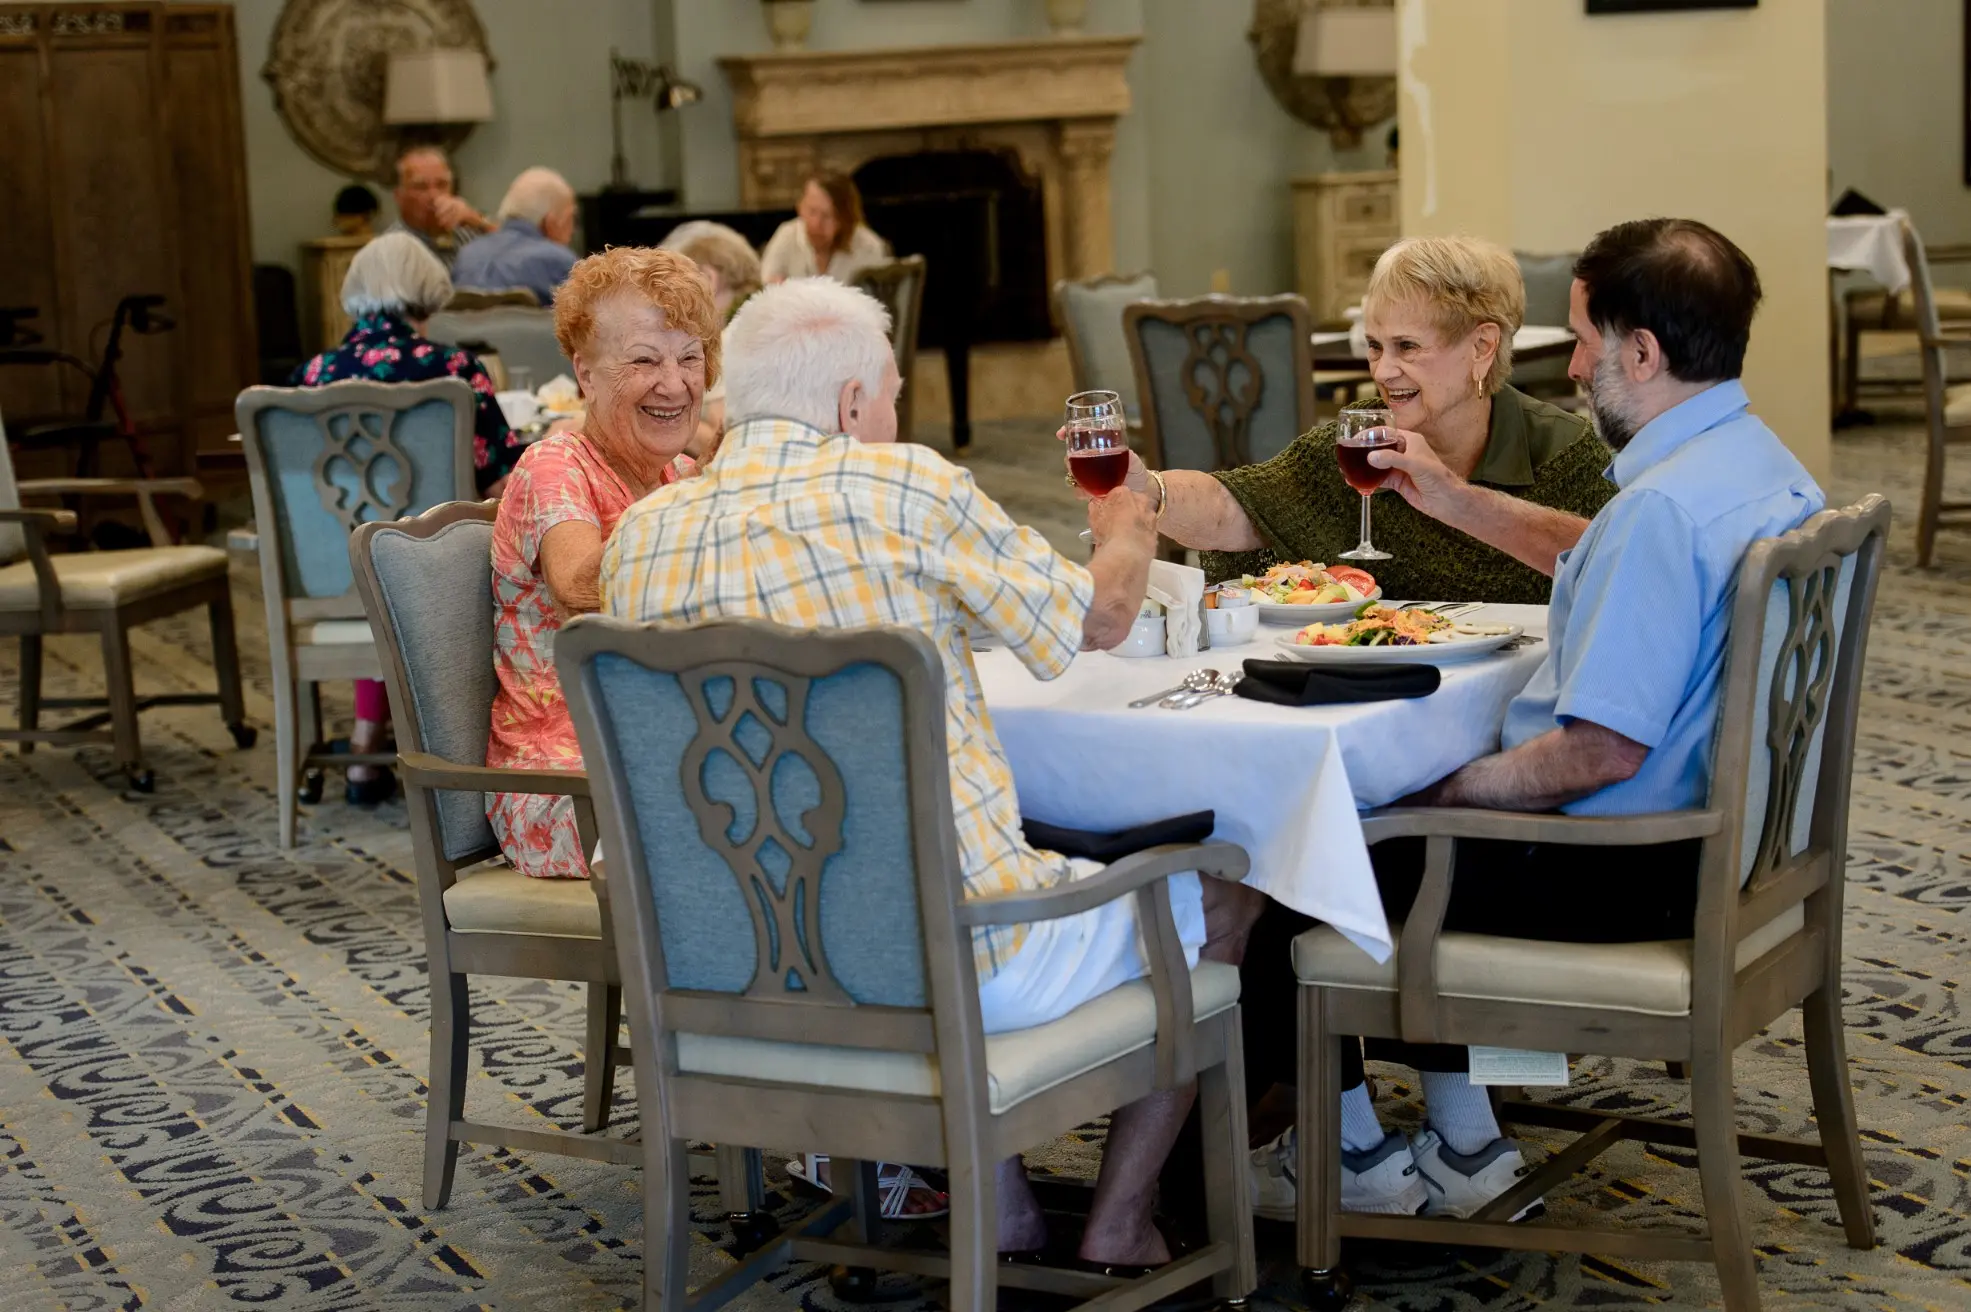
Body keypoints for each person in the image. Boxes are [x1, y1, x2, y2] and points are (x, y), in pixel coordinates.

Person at [601, 277, 1266, 1267]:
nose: (895, 414)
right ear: (851, 405)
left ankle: (999, 1209)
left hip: (719, 969)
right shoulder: (908, 484)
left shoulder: (640, 536)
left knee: (935, 852)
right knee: (1226, 883)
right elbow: (1096, 622)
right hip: (954, 973)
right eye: (893, 395)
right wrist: (1130, 523)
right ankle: (1119, 1223)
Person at [1248, 218, 1824, 1224]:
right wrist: (1457, 501)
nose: (1573, 366)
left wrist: (1438, 794)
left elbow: (1601, 751)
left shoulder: (1664, 510)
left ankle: (1348, 1161)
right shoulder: (1755, 465)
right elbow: (1606, 556)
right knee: (1396, 829)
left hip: (1629, 868)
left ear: (1641, 352)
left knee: (1305, 856)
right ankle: (1467, 1141)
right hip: (1748, 859)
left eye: (1586, 340)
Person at [1099, 235, 1615, 604]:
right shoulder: (1354, 445)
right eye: (1375, 346)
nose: (1384, 370)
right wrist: (1151, 489)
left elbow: (1619, 569)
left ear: (1482, 346)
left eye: (1407, 347)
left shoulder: (1562, 454)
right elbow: (1235, 506)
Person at [483, 247, 711, 881]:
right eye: (644, 360)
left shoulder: (683, 475)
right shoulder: (555, 465)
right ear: (585, 375)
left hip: (664, 751)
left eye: (690, 358)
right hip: (568, 786)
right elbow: (582, 589)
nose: (675, 383)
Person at [291, 231, 523, 805]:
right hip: (434, 582)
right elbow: (502, 479)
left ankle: (366, 733)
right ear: (426, 293)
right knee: (444, 542)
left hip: (335, 578)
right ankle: (476, 756)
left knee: (370, 544)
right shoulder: (453, 372)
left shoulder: (309, 378)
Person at [672, 225, 763, 462]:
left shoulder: (729, 340)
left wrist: (656, 420)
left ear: (709, 279)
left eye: (681, 287)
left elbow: (722, 443)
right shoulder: (762, 318)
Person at [452, 167, 580, 307]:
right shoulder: (561, 262)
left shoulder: (467, 254)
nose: (573, 230)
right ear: (551, 222)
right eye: (571, 218)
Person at [759, 172, 889, 283]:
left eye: (827, 216)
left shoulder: (869, 247)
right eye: (811, 211)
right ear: (800, 207)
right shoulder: (787, 235)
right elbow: (764, 287)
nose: (816, 224)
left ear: (845, 219)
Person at [387, 145, 494, 266]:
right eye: (421, 187)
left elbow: (515, 249)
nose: (434, 196)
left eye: (442, 185)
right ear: (399, 196)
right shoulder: (392, 250)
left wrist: (477, 220)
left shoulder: (468, 228)